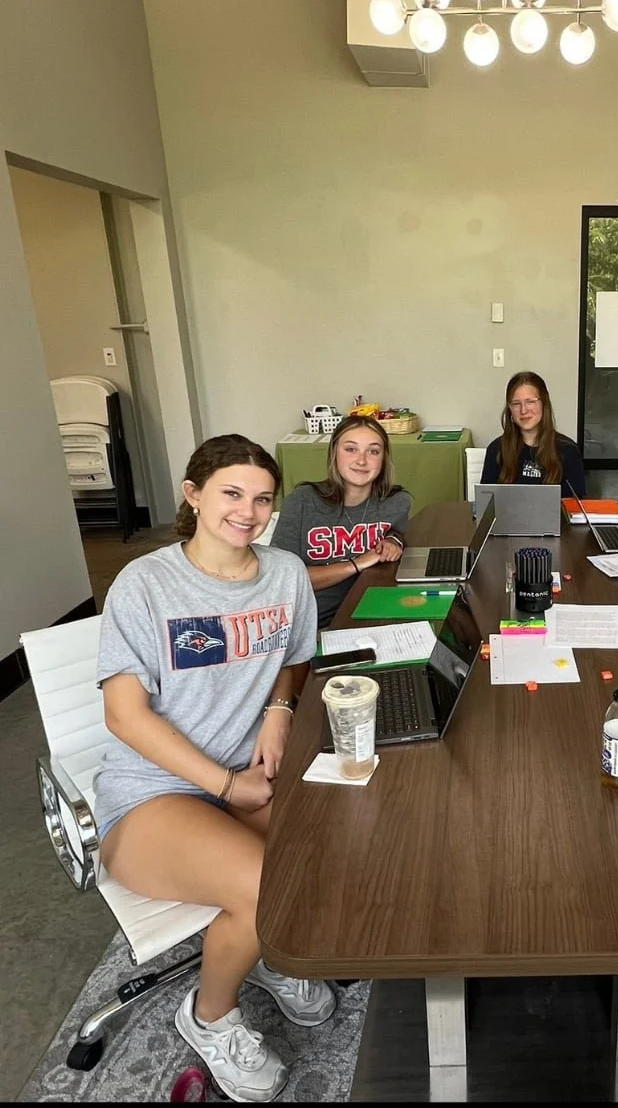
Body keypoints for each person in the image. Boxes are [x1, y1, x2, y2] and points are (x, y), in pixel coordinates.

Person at [95, 434, 334, 1103]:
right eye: (231, 493)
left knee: (329, 840)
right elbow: (124, 716)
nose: (248, 511)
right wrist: (227, 783)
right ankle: (209, 1013)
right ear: (194, 494)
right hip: (153, 793)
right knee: (266, 885)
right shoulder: (145, 583)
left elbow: (294, 654)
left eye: (262, 498)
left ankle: (265, 953)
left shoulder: (284, 571)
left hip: (245, 773)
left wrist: (281, 708)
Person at [272, 415, 412, 628]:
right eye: (351, 449)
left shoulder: (396, 501)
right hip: (312, 624)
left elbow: (397, 532)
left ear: (383, 459)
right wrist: (356, 564)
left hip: (373, 614)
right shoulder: (302, 501)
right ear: (334, 453)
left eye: (373, 451)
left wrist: (394, 541)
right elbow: (285, 579)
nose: (362, 460)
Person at [480, 370, 587, 497]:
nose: (523, 410)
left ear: (544, 404)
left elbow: (576, 507)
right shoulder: (496, 449)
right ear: (510, 409)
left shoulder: (568, 451)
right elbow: (486, 504)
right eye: (516, 404)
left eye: (530, 402)